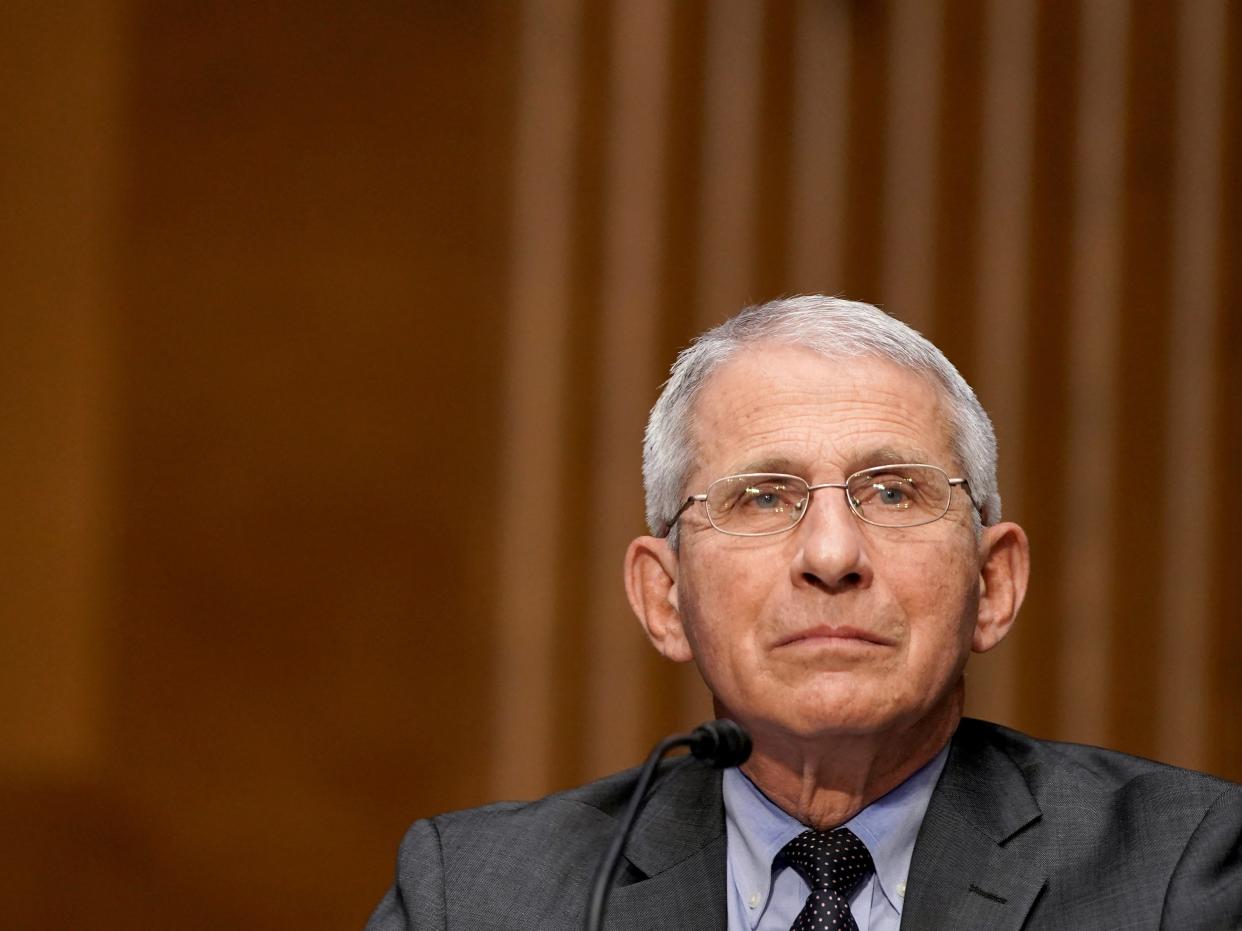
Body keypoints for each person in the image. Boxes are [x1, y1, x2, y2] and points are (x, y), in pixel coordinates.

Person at [366, 296, 1241, 930]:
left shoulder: (1176, 872)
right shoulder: (476, 897)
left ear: (995, 582)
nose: (831, 555)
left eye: (894, 491)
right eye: (761, 497)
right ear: (664, 598)